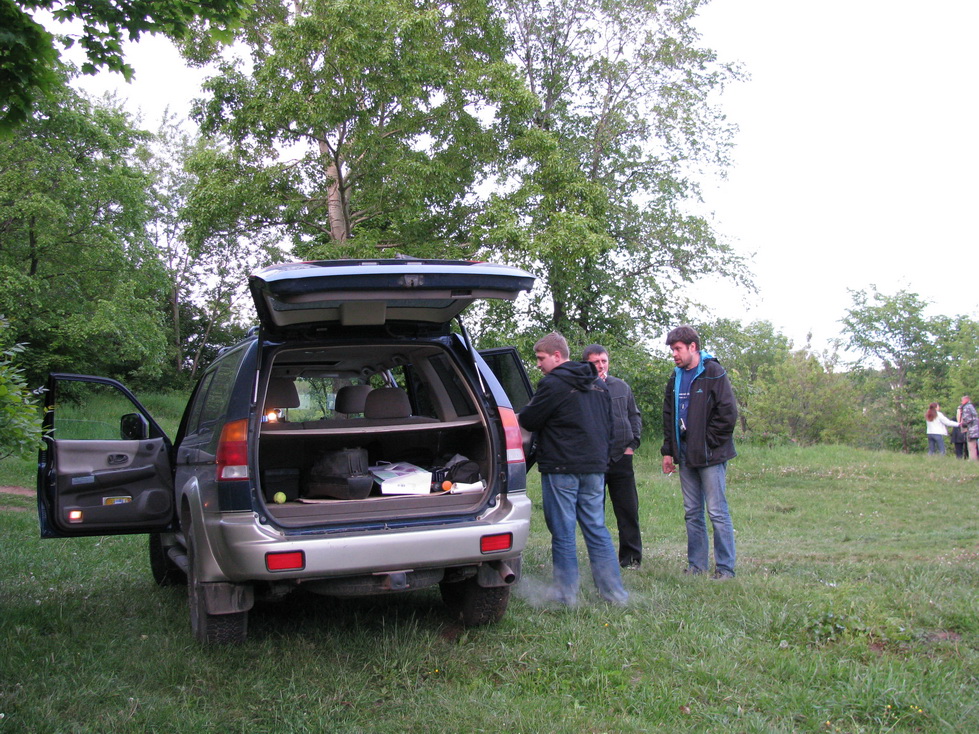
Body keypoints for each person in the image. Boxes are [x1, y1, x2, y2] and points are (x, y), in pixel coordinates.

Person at [519, 332, 629, 605]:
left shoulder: (553, 384)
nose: (538, 364)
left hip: (561, 467)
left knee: (564, 532)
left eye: (541, 358)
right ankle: (614, 594)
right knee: (596, 527)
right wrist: (603, 460)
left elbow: (530, 420)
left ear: (557, 355)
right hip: (595, 467)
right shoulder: (598, 384)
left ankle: (566, 594)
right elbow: (610, 426)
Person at [660, 326, 738, 579]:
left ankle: (725, 569)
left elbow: (728, 413)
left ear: (692, 347)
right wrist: (668, 451)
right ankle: (696, 566)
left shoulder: (713, 371)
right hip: (685, 455)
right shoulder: (675, 377)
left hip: (710, 455)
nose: (674, 354)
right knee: (692, 513)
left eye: (678, 349)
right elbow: (669, 415)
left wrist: (707, 442)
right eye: (672, 350)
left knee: (717, 512)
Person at [582, 344, 643, 569]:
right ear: (586, 364)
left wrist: (632, 444)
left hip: (621, 458)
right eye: (595, 362)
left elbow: (634, 415)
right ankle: (600, 559)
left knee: (628, 510)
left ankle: (631, 558)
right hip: (595, 459)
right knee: (595, 513)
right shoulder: (582, 388)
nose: (601, 366)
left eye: (604, 361)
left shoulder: (621, 386)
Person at [960, 396, 979, 460]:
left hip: (971, 429)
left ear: (966, 400)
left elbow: (968, 419)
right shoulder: (972, 407)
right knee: (975, 445)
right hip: (976, 428)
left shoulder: (966, 407)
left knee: (971, 445)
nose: (961, 402)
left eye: (962, 400)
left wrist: (963, 424)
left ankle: (972, 459)